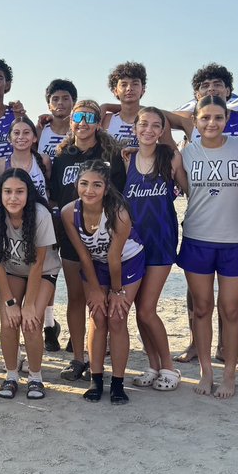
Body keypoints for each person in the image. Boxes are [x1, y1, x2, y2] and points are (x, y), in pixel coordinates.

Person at [178, 95, 238, 398]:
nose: (212, 123)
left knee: (230, 309)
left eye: (218, 117)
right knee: (201, 309)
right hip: (197, 238)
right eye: (205, 118)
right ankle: (205, 371)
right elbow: (183, 187)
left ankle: (229, 373)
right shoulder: (187, 153)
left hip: (236, 240)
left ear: (227, 120)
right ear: (196, 121)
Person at [48, 100, 125, 381]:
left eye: (89, 117)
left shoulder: (110, 153)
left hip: (103, 234)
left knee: (102, 299)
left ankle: (97, 355)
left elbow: (119, 194)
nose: (83, 122)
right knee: (77, 298)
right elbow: (55, 194)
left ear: (98, 122)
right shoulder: (62, 155)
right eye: (78, 117)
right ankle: (78, 358)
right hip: (71, 235)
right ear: (71, 121)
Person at [61, 160, 144, 405]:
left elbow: (114, 257)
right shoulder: (69, 212)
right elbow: (84, 255)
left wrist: (116, 292)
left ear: (106, 188)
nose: (89, 190)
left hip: (127, 261)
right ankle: (96, 379)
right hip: (95, 263)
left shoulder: (118, 212)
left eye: (97, 185)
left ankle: (118, 382)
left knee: (117, 317)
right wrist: (96, 290)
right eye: (84, 184)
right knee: (97, 315)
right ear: (77, 184)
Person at [0, 168, 60, 400]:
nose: (13, 197)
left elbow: (38, 263)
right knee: (8, 321)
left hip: (43, 271)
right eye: (7, 192)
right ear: (0, 193)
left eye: (19, 192)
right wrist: (11, 302)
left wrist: (29, 304)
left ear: (28, 193)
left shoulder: (40, 214)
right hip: (11, 270)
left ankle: (35, 377)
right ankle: (12, 374)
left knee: (31, 322)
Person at [122, 107, 186, 392]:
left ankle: (169, 366)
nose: (148, 129)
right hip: (134, 243)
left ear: (162, 131)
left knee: (147, 309)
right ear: (135, 128)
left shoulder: (170, 157)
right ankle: (152, 364)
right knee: (138, 309)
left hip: (161, 238)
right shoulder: (127, 159)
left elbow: (187, 189)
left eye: (155, 125)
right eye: (143, 124)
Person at [0, 116, 51, 200]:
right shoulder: (0, 164)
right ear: (9, 138)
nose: (21, 137)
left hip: (41, 211)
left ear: (35, 138)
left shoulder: (44, 160)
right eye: (16, 133)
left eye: (26, 132)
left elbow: (48, 190)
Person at [102, 62, 148, 147]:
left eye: (135, 84)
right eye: (124, 84)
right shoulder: (106, 120)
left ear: (143, 89)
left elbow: (171, 153)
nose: (129, 88)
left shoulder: (154, 120)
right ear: (115, 91)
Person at [37, 79, 75, 158]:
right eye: (55, 99)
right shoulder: (40, 129)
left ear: (73, 103)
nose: (60, 102)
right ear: (49, 105)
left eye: (65, 98)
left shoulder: (79, 130)